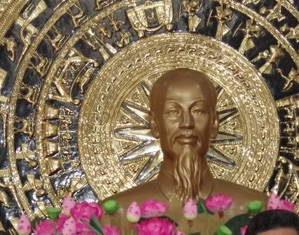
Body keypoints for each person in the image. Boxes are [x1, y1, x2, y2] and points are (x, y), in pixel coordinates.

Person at [107, 67, 266, 219]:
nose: (187, 123)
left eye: (198, 111)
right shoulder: (115, 215)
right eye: (173, 112)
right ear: (155, 124)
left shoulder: (258, 212)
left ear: (214, 124)